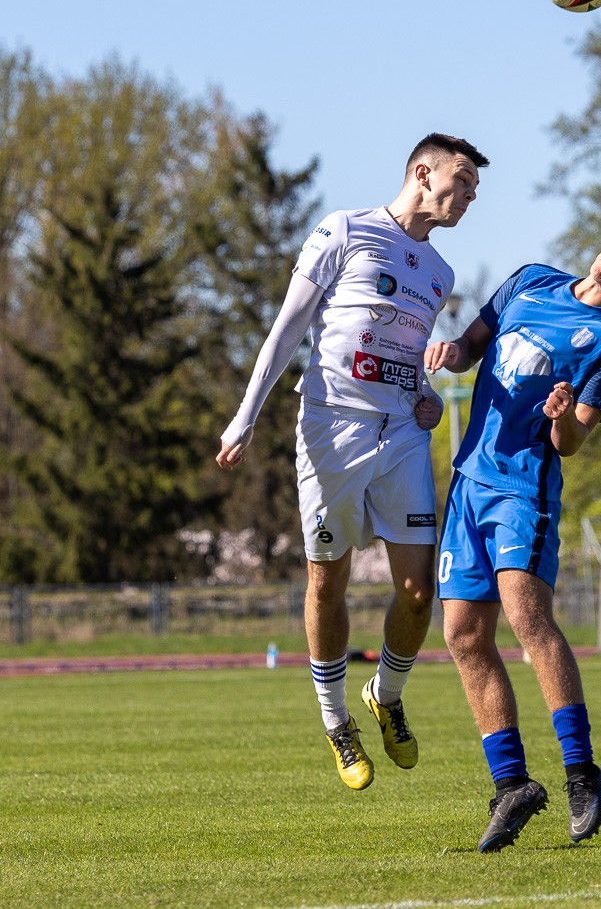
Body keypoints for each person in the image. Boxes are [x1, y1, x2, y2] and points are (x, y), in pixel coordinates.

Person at [216, 133, 489, 790]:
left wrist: (426, 399)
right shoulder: (343, 230)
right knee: (326, 582)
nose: (469, 198)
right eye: (463, 182)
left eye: (476, 192)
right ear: (422, 173)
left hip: (401, 436)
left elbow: (406, 356)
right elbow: (288, 326)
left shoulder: (440, 274)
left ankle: (386, 695)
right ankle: (336, 720)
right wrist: (245, 415)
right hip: (331, 427)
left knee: (420, 590)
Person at [424, 209, 601, 852]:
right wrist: (449, 350)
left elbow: (572, 441)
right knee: (463, 635)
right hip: (469, 483)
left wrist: (562, 417)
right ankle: (512, 784)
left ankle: (581, 774)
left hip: (524, 492)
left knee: (527, 619)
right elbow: (470, 349)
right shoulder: (529, 281)